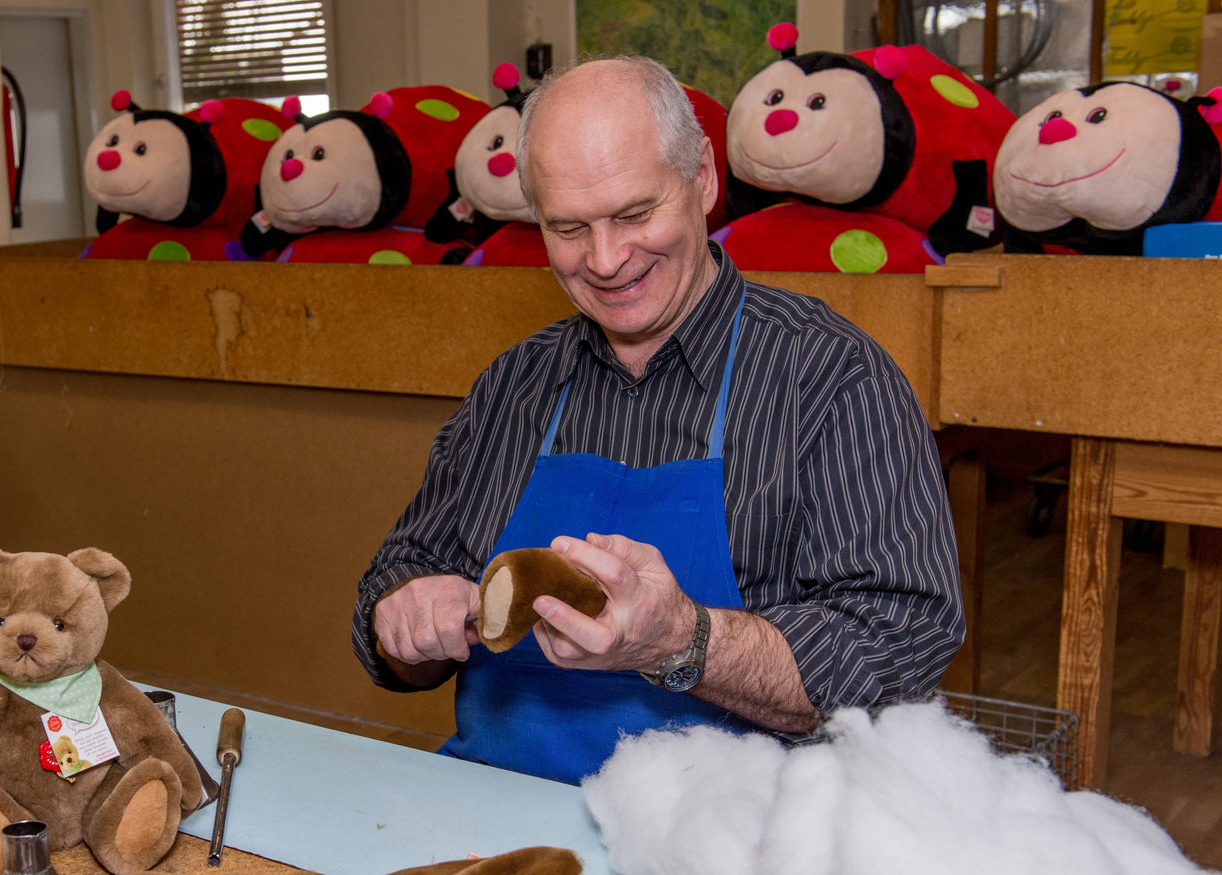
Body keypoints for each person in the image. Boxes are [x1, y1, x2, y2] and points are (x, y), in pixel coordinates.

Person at [351, 56, 964, 785]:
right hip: (501, 818)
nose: (605, 260)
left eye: (634, 214)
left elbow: (898, 651)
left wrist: (684, 638)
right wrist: (406, 620)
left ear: (701, 177)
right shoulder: (512, 386)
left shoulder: (830, 379)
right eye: (568, 227)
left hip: (734, 845)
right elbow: (395, 589)